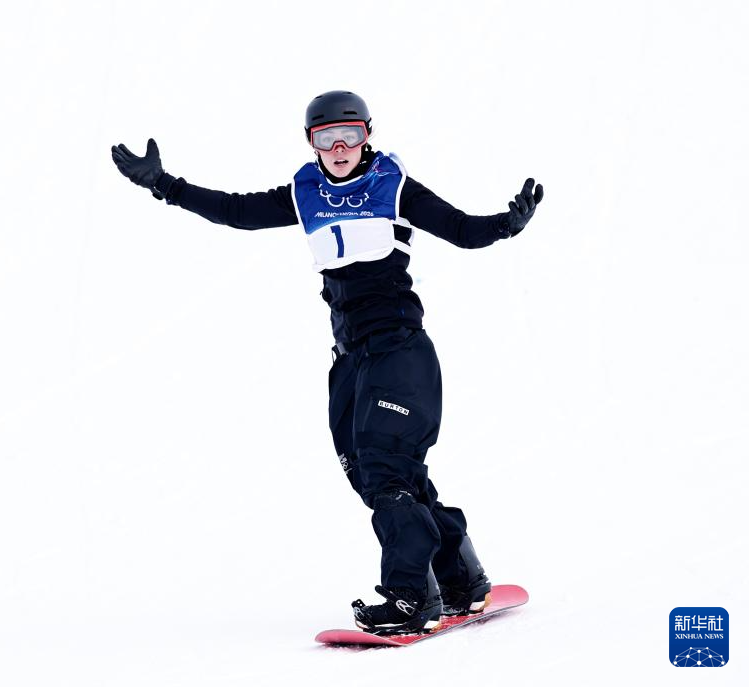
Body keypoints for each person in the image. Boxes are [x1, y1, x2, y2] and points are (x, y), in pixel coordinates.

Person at [111, 90, 543, 635]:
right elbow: (236, 211)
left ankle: (411, 597)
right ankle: (462, 580)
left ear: (368, 136)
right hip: (351, 358)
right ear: (311, 143)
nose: (339, 148)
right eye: (326, 138)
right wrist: (164, 185)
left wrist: (506, 223)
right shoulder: (306, 193)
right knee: (372, 473)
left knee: (387, 469)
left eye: (350, 136)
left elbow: (460, 228)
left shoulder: (392, 186)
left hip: (399, 351)